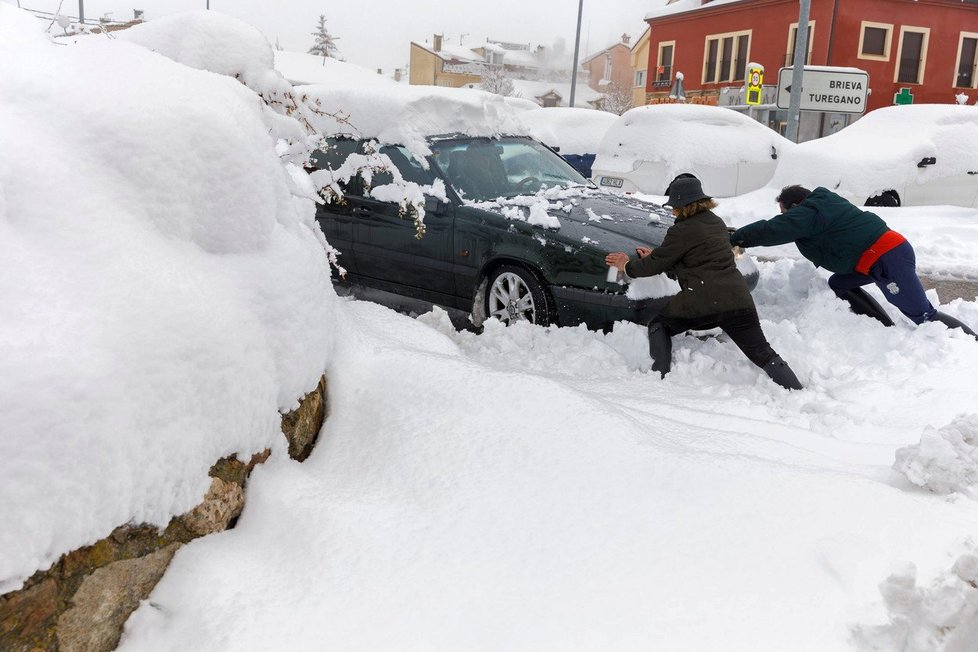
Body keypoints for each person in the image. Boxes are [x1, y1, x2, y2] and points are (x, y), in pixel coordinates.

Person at [605, 176, 803, 390]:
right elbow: (693, 258)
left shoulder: (681, 230)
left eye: (675, 206)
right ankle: (797, 389)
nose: (672, 211)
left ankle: (658, 376)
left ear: (684, 206)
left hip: (701, 299)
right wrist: (657, 256)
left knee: (659, 324)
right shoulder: (716, 223)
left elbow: (653, 266)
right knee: (762, 351)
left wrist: (626, 265)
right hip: (738, 298)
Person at [729, 185, 977, 338]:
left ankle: (968, 344)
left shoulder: (812, 212)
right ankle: (883, 325)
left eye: (786, 212)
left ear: (796, 206)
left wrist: (737, 237)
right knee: (840, 284)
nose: (785, 217)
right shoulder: (822, 206)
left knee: (923, 314)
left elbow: (774, 229)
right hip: (876, 258)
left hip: (888, 256)